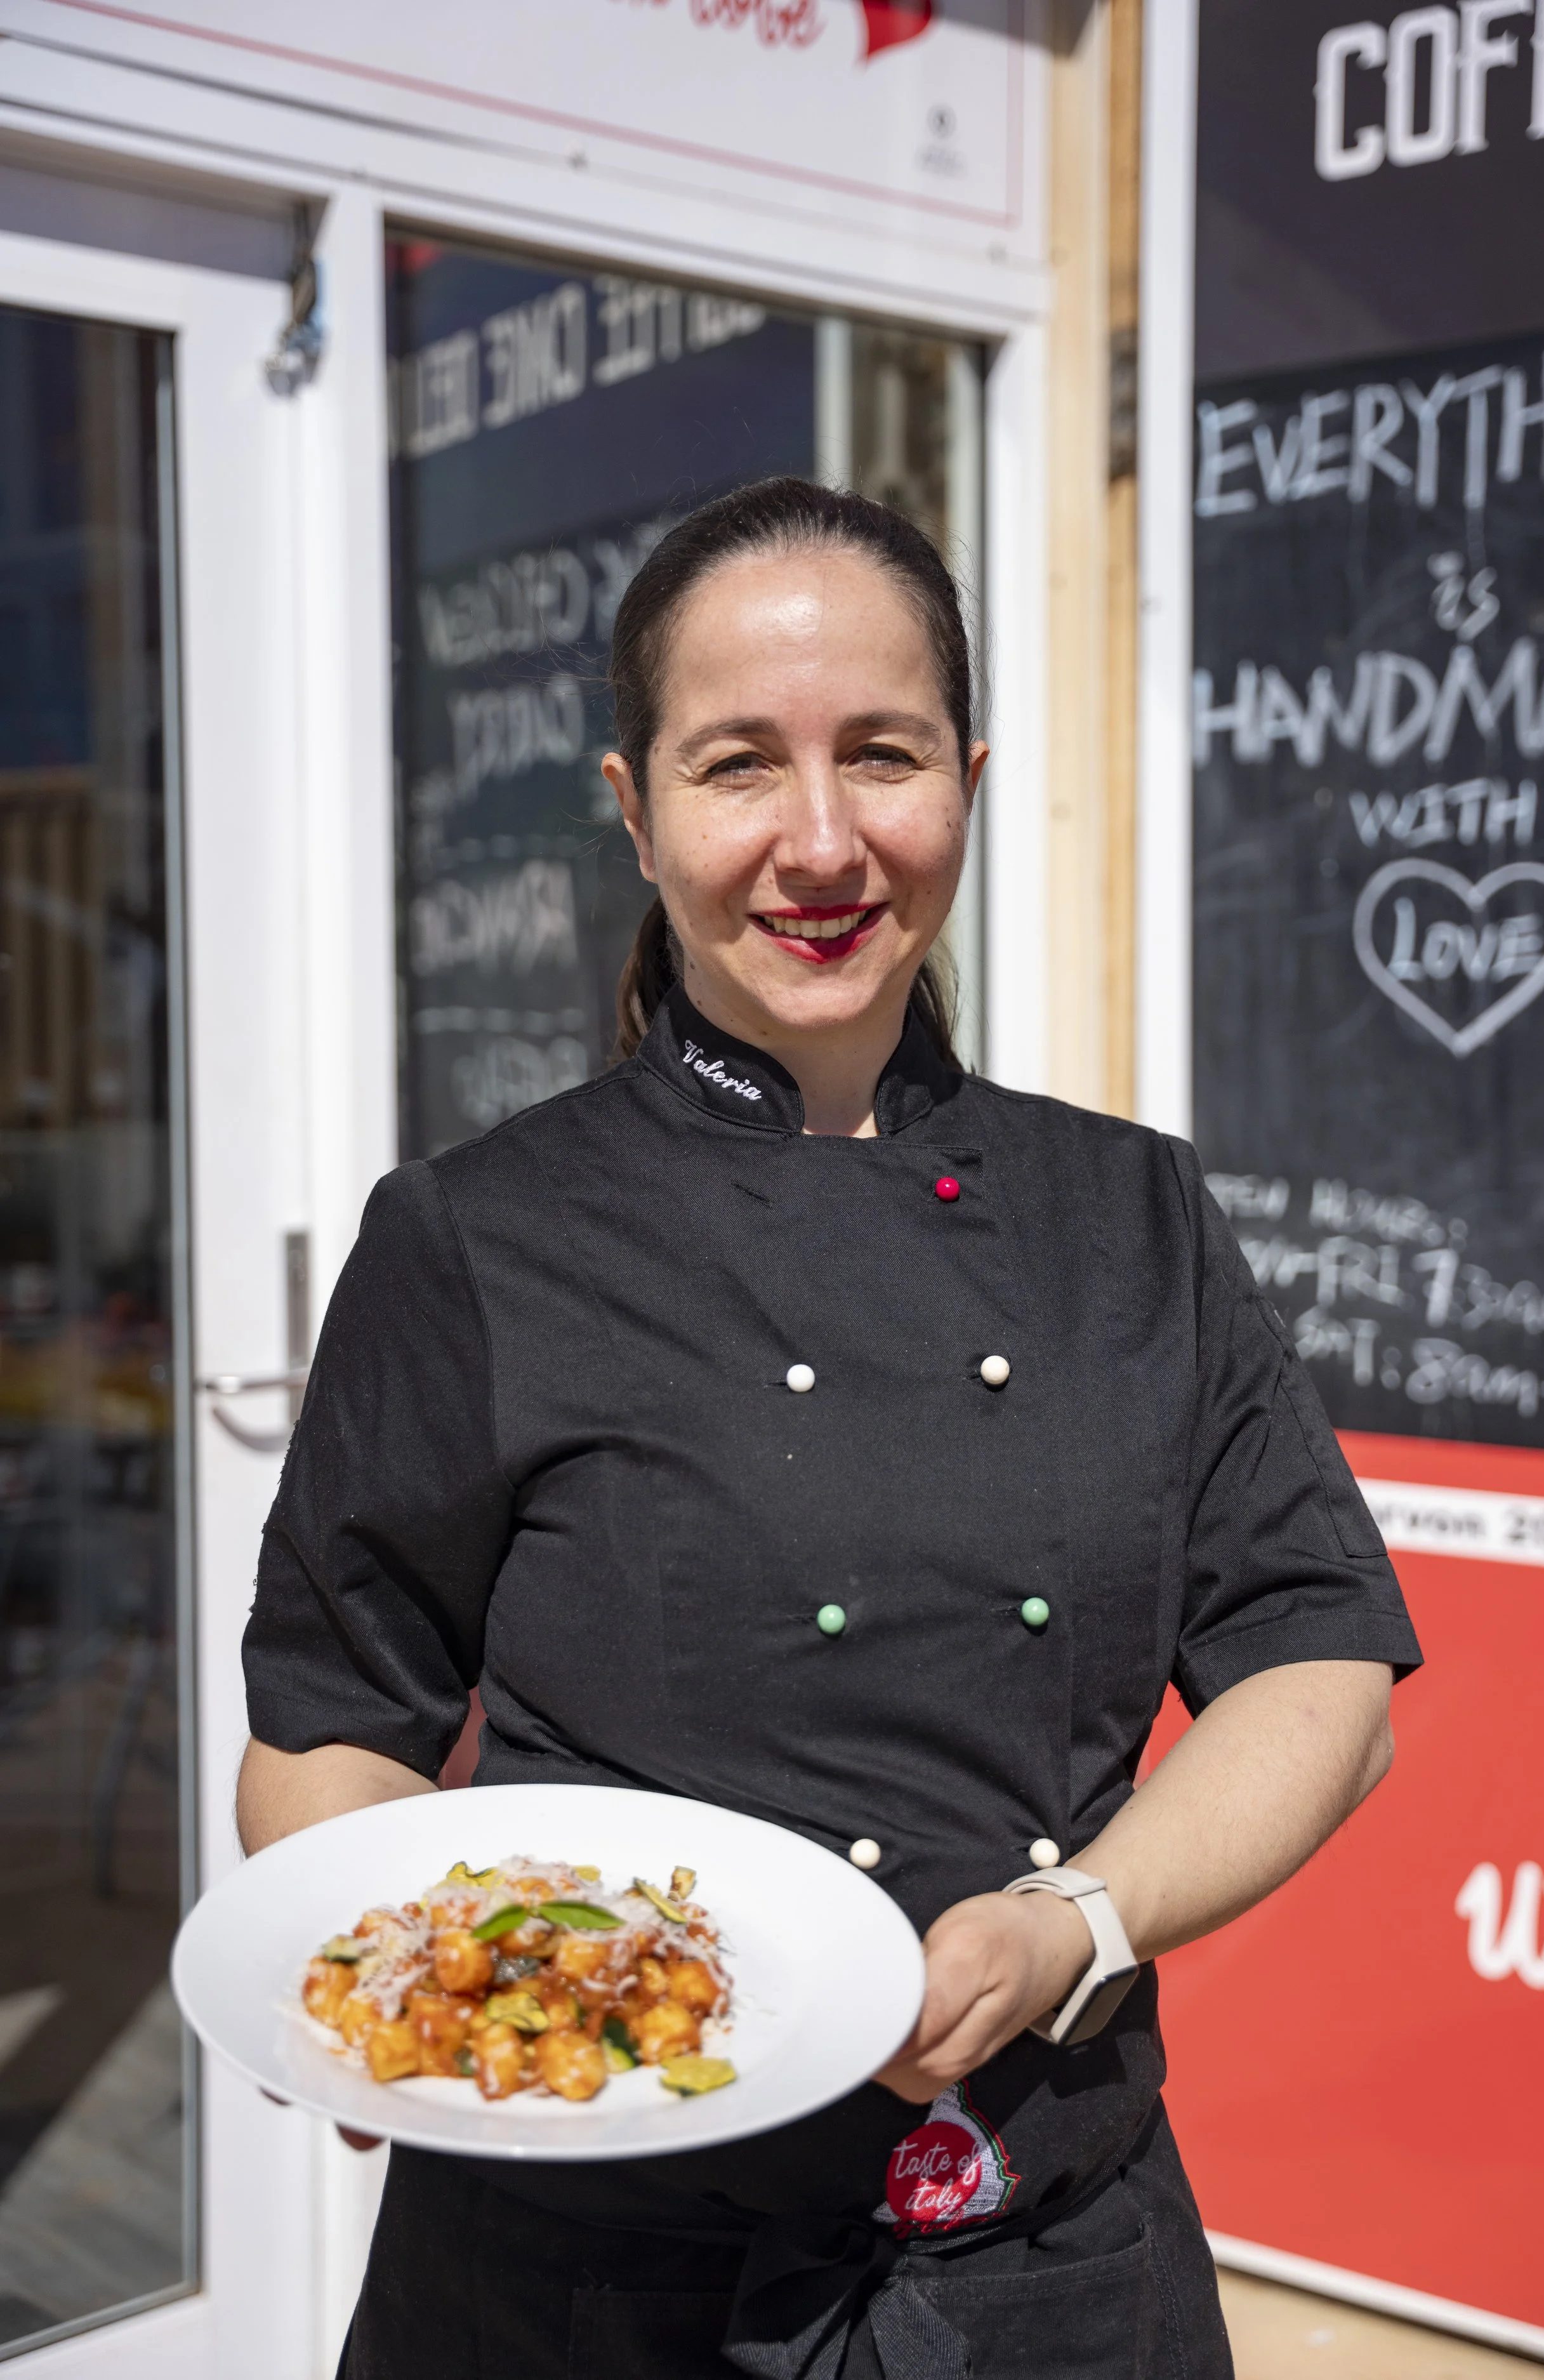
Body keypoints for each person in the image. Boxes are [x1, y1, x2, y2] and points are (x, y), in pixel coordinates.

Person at [238, 475, 1422, 2380]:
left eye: (879, 754)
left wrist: (1072, 1919)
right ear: (634, 808)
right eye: (734, 767)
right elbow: (331, 1722)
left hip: (1049, 2255)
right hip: (576, 2285)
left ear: (963, 770)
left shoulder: (1128, 1213)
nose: (818, 841)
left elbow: (1317, 1669)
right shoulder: (478, 1235)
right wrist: (383, 1982)